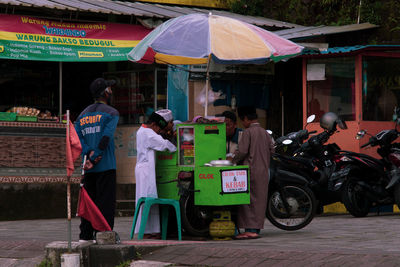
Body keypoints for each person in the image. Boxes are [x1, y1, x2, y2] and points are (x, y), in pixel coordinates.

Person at [75, 77, 119, 241]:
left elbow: (78, 141)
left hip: (88, 168)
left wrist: (88, 156)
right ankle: (104, 235)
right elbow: (106, 138)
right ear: (105, 92)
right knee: (105, 203)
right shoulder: (112, 113)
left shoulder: (81, 116)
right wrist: (95, 158)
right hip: (106, 166)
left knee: (88, 203)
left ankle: (85, 237)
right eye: (110, 89)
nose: (112, 91)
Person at [232, 106, 274, 240]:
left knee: (248, 201)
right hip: (264, 171)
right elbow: (272, 150)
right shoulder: (265, 133)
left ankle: (250, 230)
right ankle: (256, 229)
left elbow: (243, 151)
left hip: (250, 170)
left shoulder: (248, 132)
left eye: (242, 120)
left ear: (245, 119)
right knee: (260, 201)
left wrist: (232, 158)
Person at [134, 110, 177, 239]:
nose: (159, 131)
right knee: (149, 199)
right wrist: (175, 146)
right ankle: (147, 231)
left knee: (147, 199)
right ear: (153, 124)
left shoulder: (141, 130)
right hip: (146, 171)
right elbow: (164, 145)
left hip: (143, 168)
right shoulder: (149, 134)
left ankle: (150, 230)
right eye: (159, 128)